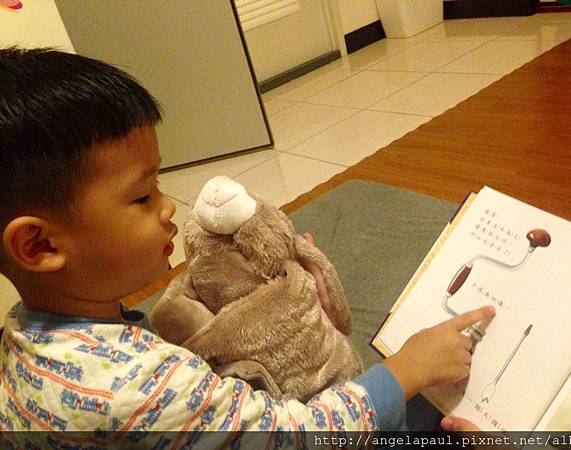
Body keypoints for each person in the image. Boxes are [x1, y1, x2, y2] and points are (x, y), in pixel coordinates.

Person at [0, 47, 494, 447]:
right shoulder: (136, 389)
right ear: (38, 244)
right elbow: (300, 436)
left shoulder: (25, 337)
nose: (168, 208)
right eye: (142, 196)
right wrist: (408, 368)